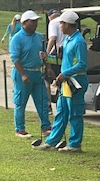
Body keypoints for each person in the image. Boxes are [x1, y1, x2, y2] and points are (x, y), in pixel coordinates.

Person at [36, 10, 88, 152]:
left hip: (76, 81)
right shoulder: (68, 39)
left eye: (61, 24)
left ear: (68, 25)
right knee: (61, 111)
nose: (60, 26)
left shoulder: (79, 42)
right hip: (66, 81)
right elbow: (64, 60)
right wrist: (47, 57)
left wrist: (65, 74)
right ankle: (51, 142)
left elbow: (82, 64)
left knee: (75, 113)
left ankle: (74, 144)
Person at [9, 9, 51, 138]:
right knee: (21, 102)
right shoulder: (17, 38)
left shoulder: (39, 37)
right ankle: (20, 129)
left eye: (36, 21)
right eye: (32, 21)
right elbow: (15, 58)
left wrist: (47, 65)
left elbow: (44, 54)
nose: (35, 24)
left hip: (37, 72)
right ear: (24, 23)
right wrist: (23, 74)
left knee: (42, 100)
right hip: (22, 73)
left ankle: (46, 127)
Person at [46, 8, 65, 75]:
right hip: (68, 49)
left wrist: (47, 53)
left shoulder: (53, 22)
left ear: (49, 17)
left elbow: (53, 38)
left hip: (59, 52)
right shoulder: (65, 21)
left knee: (56, 73)